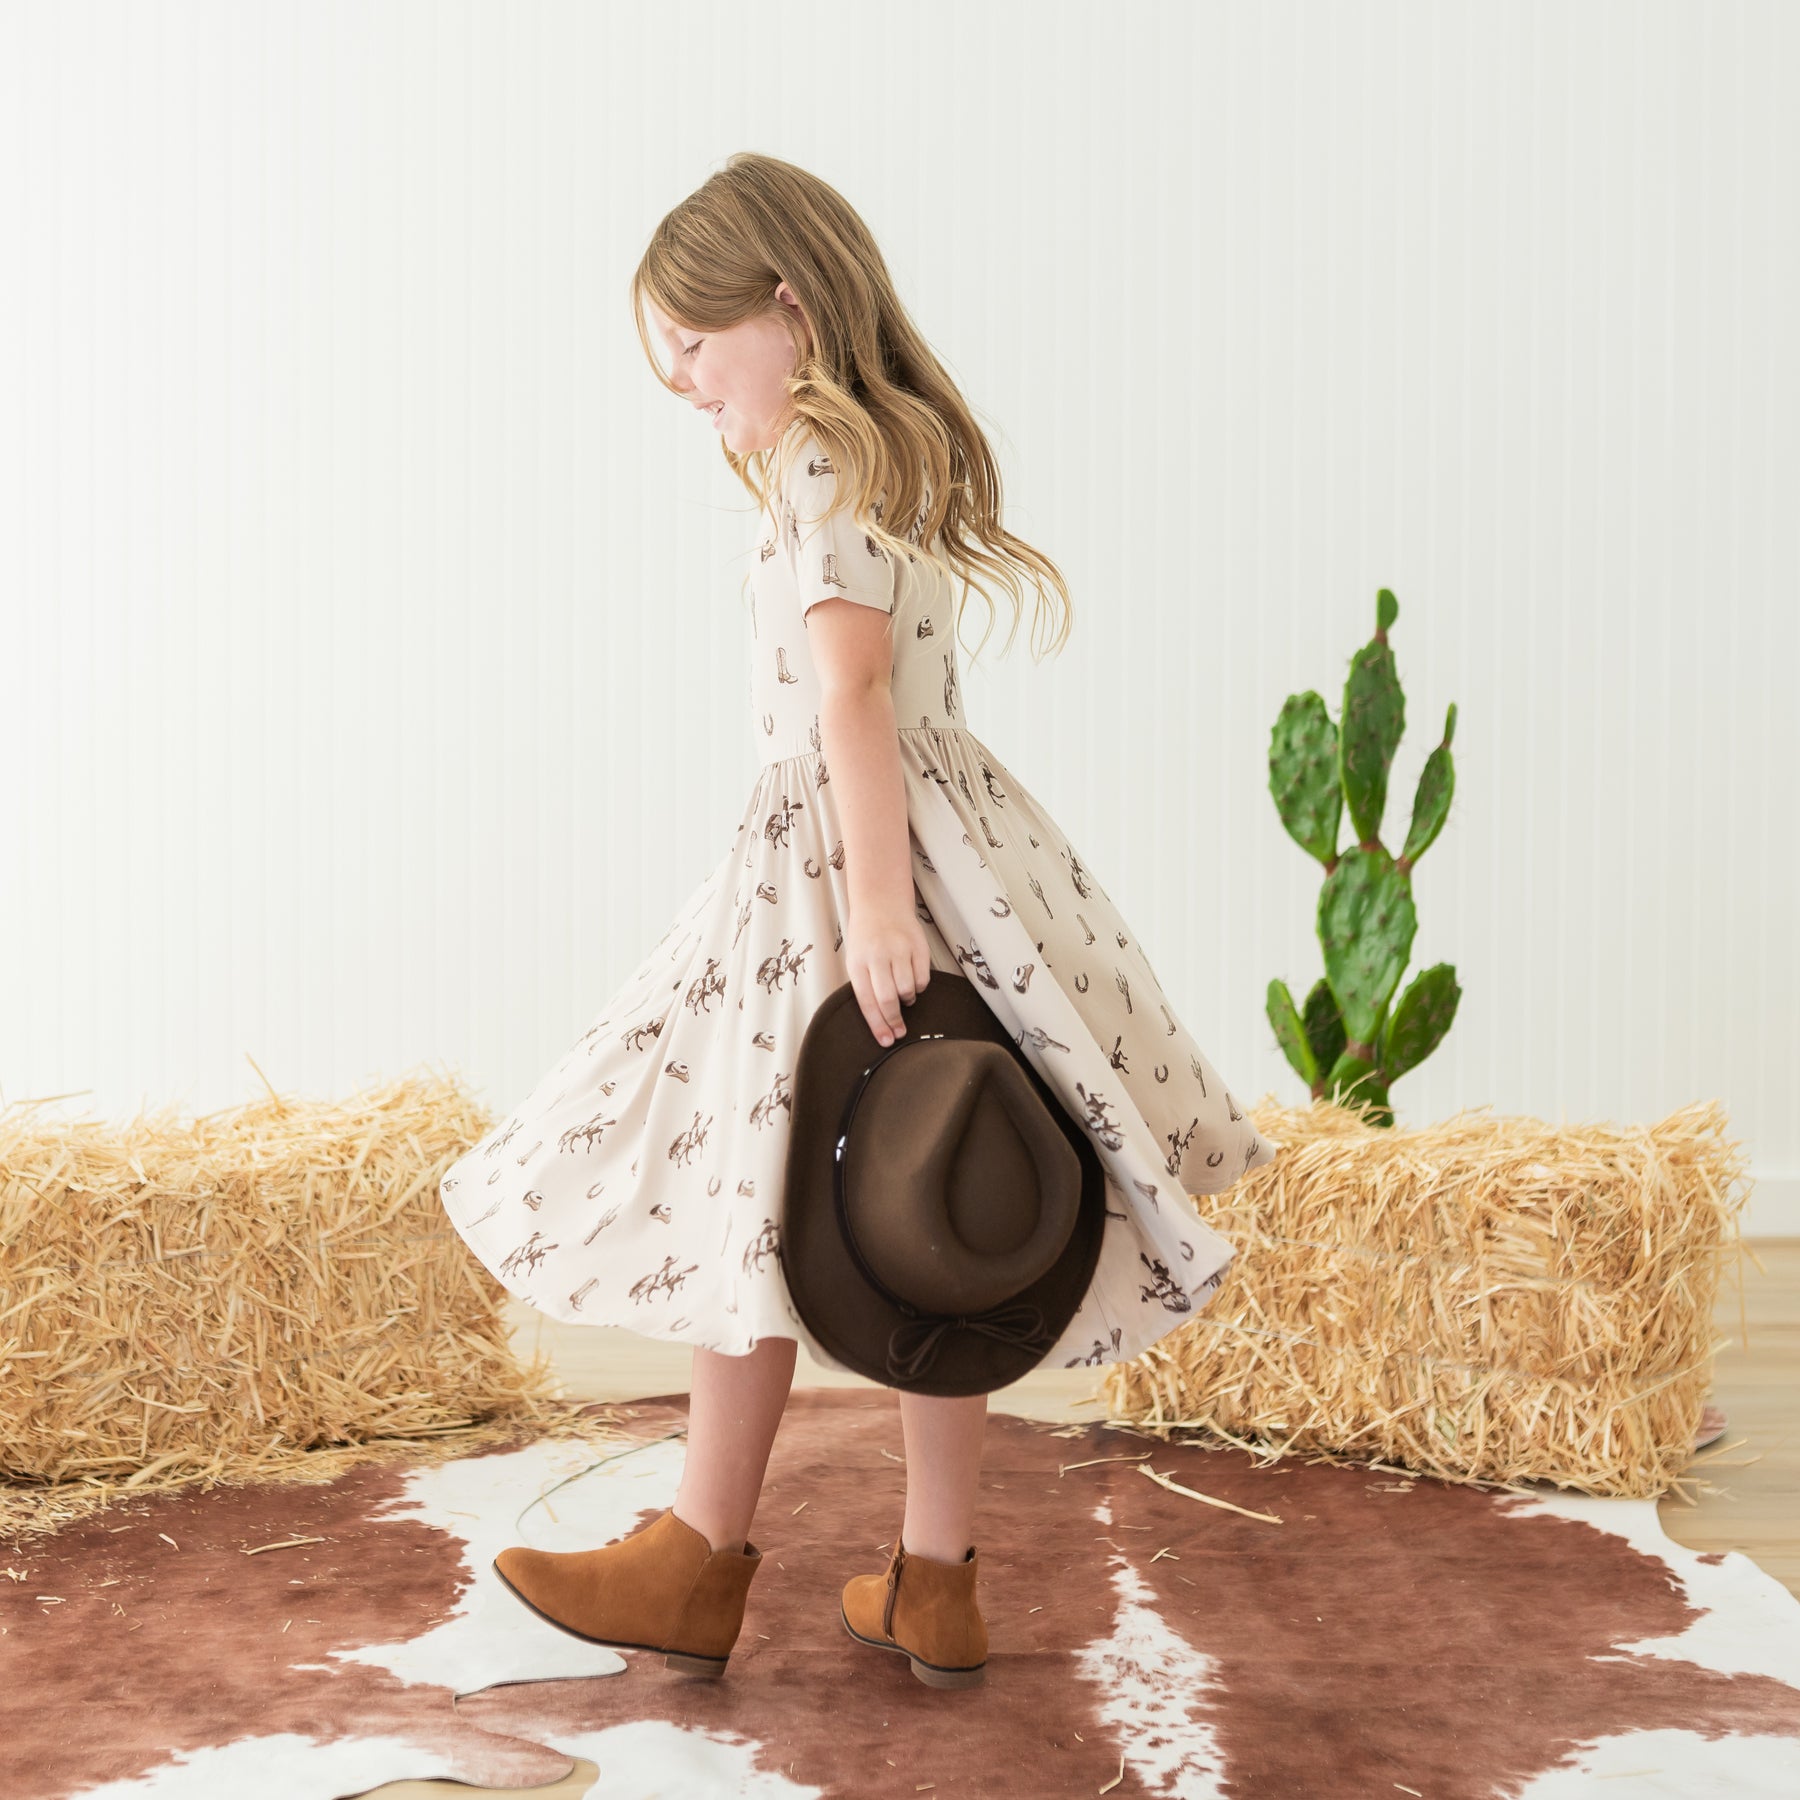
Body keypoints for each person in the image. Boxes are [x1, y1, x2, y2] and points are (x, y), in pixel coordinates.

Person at [439, 152, 1276, 1688]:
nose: (684, 387)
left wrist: (877, 911)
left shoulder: (820, 462)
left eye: (694, 348)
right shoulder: (876, 456)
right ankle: (936, 1578)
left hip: (842, 859)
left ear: (787, 306)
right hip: (951, 845)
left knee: (755, 1186)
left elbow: (850, 692)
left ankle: (697, 1553)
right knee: (924, 1206)